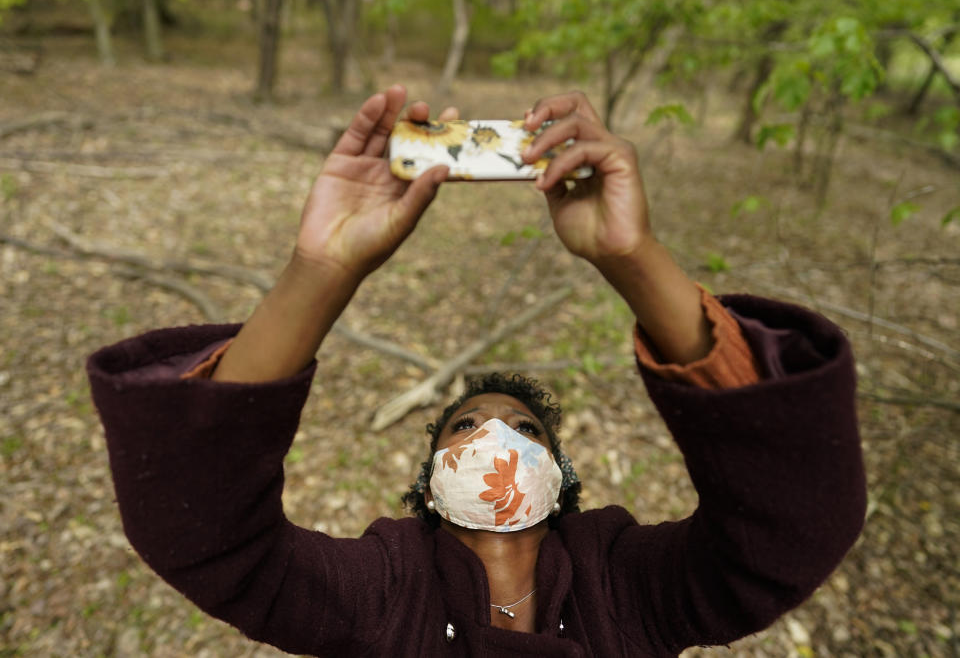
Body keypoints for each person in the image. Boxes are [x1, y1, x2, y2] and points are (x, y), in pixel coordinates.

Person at [87, 85, 866, 656]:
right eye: (466, 426)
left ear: (558, 477)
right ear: (430, 485)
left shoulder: (625, 583)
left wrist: (632, 259)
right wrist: (320, 268)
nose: (496, 433)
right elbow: (202, 534)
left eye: (525, 429)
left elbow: (788, 531)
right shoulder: (377, 590)